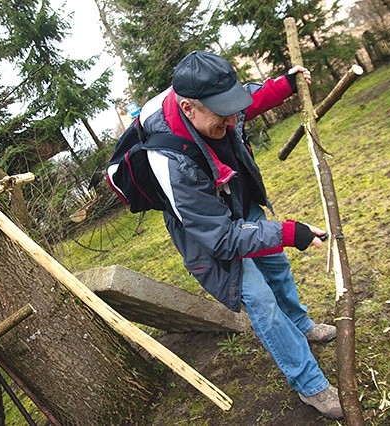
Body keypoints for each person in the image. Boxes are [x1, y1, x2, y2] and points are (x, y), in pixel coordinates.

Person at [139, 50, 343, 420]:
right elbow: (221, 238)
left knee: (276, 265)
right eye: (223, 115)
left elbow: (248, 99)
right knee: (260, 299)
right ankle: (310, 384)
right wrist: (287, 231)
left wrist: (286, 84)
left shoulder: (213, 102)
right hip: (206, 229)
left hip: (234, 195)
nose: (233, 119)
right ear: (189, 110)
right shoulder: (169, 159)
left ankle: (302, 325)